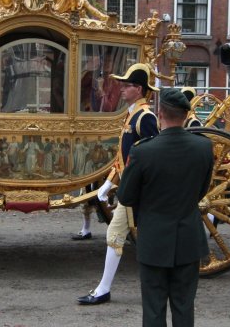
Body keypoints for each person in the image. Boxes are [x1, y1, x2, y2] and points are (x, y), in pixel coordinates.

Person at [117, 88, 213, 327]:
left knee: (153, 309)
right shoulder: (203, 147)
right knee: (183, 307)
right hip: (189, 237)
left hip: (154, 237)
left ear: (160, 114)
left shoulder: (143, 151)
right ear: (184, 115)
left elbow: (126, 196)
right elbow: (202, 190)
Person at [77, 63, 160, 305]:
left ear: (139, 89)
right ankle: (104, 289)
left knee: (143, 239)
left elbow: (150, 159)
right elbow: (123, 158)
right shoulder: (132, 114)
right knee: (117, 235)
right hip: (129, 190)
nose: (121, 89)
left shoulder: (145, 117)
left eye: (126, 86)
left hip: (140, 192)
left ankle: (156, 288)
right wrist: (110, 183)